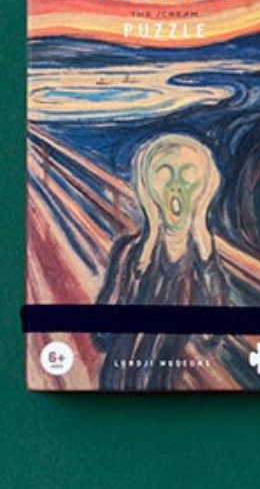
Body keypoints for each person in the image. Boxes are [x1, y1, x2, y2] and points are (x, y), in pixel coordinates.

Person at [97, 133, 229, 390]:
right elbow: (103, 333)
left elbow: (210, 335)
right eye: (164, 174)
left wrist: (203, 246)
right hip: (118, 384)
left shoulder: (205, 263)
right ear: (147, 186)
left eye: (188, 174)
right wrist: (141, 260)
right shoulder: (128, 252)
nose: (175, 186)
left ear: (205, 187)